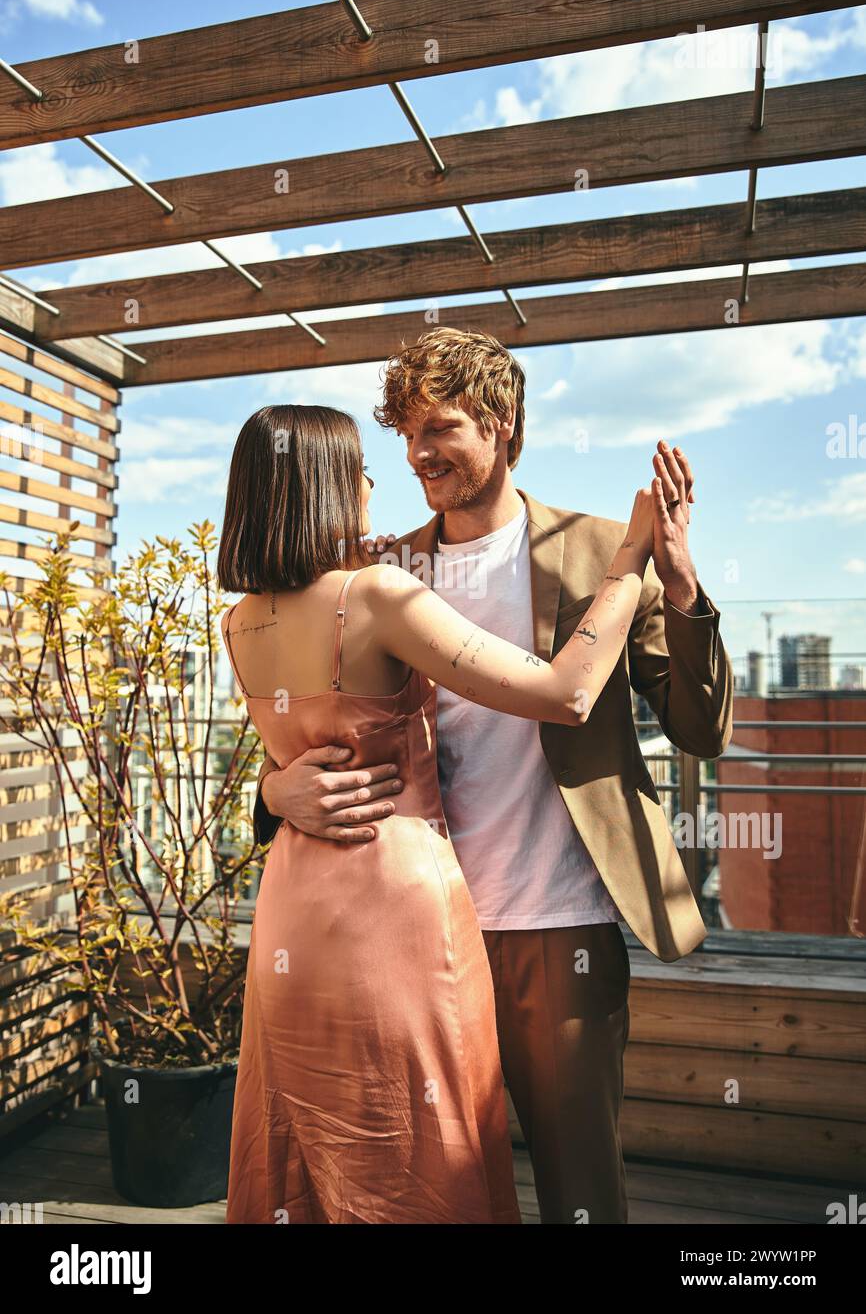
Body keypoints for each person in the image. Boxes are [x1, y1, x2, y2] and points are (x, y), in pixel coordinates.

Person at [253, 327, 734, 1225]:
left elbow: (701, 731)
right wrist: (272, 796)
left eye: (440, 428)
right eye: (405, 434)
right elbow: (304, 719)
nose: (418, 454)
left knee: (577, 1183)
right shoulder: (375, 571)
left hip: (559, 926)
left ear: (502, 423)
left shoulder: (600, 552)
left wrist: (678, 581)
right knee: (428, 1184)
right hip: (413, 934)